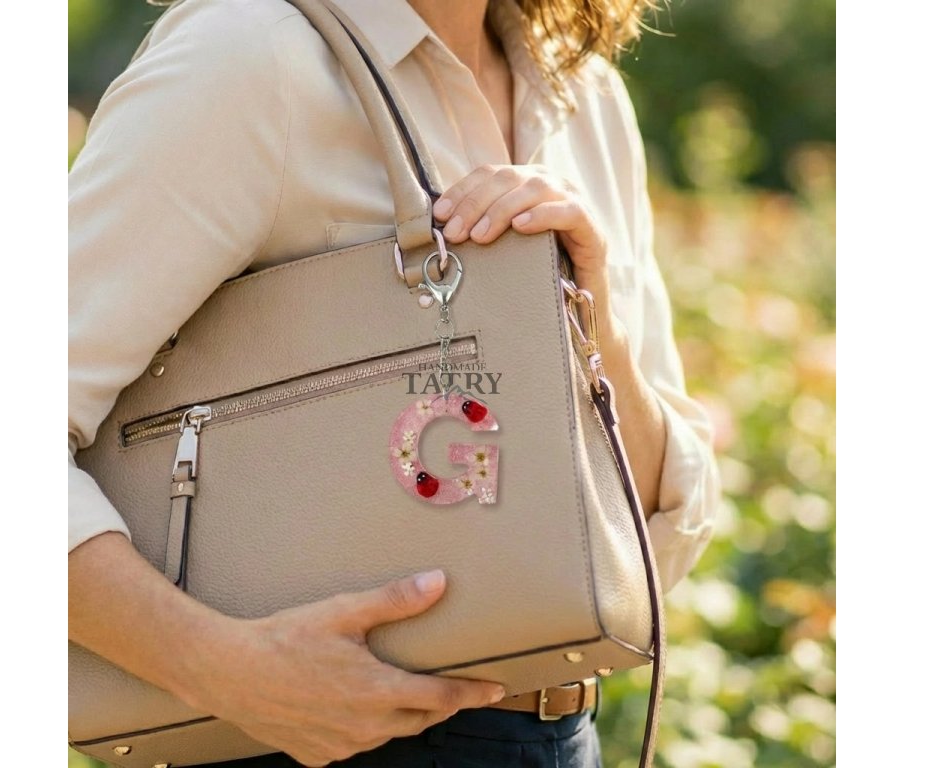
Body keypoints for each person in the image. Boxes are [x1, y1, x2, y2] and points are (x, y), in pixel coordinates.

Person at [68, 0, 721, 765]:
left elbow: (651, 537)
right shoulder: (250, 58)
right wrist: (219, 668)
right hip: (304, 743)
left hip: (561, 733)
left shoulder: (583, 92)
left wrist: (591, 313)